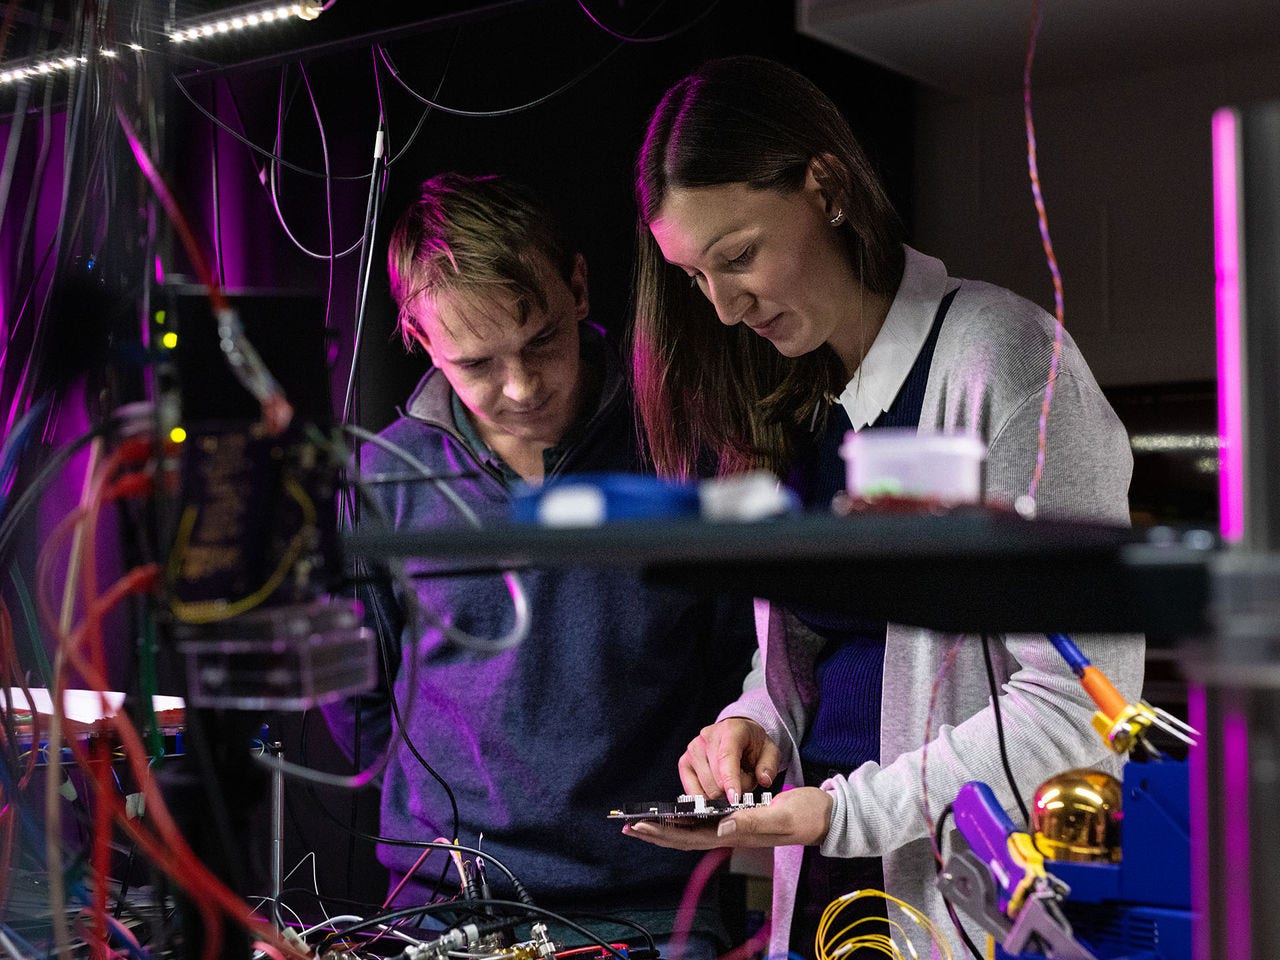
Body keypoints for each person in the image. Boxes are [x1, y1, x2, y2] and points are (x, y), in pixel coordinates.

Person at [620, 56, 1145, 959]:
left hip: (963, 910)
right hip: (829, 890)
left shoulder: (1005, 363)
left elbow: (1080, 712)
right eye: (696, 276)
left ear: (825, 186)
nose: (724, 306)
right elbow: (838, 649)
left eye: (739, 256)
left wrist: (844, 811)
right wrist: (758, 719)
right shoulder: (801, 398)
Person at [325, 172, 755, 957]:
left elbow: (747, 666)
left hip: (655, 903)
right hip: (439, 906)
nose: (522, 387)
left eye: (541, 342)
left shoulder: (685, 441)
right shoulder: (383, 477)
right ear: (420, 340)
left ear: (580, 286)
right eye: (479, 363)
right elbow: (356, 697)